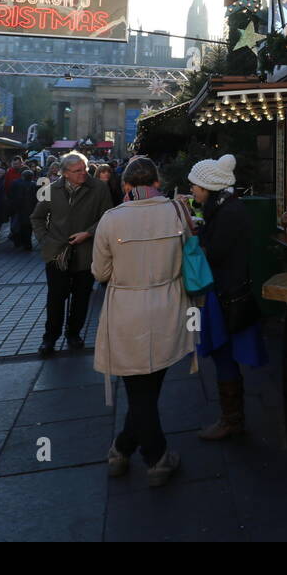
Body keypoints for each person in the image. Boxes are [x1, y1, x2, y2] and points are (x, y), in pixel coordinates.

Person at [92, 155, 193, 487]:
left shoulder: (111, 219)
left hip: (126, 309)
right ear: (157, 183)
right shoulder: (178, 211)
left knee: (138, 391)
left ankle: (148, 456)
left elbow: (100, 272)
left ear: (125, 185)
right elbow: (187, 257)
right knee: (148, 389)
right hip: (167, 306)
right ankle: (132, 451)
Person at [186, 154, 268, 441]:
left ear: (209, 187)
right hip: (230, 291)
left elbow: (215, 254)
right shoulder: (228, 209)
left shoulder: (227, 214)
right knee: (226, 355)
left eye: (195, 186)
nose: (192, 191)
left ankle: (231, 420)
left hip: (226, 294)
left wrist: (195, 241)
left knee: (223, 355)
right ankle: (232, 417)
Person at [30, 152, 113, 355]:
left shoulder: (99, 188)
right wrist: (45, 240)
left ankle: (74, 333)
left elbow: (108, 216)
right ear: (65, 173)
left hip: (86, 252)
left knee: (81, 297)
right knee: (56, 298)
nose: (83, 173)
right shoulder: (51, 189)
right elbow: (37, 217)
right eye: (77, 171)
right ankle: (49, 339)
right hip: (57, 253)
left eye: (84, 169)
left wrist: (88, 233)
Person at [8, 168, 37, 250]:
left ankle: (20, 242)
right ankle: (27, 243)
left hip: (19, 209)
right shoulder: (34, 185)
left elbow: (11, 195)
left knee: (19, 226)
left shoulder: (15, 183)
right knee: (28, 227)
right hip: (30, 209)